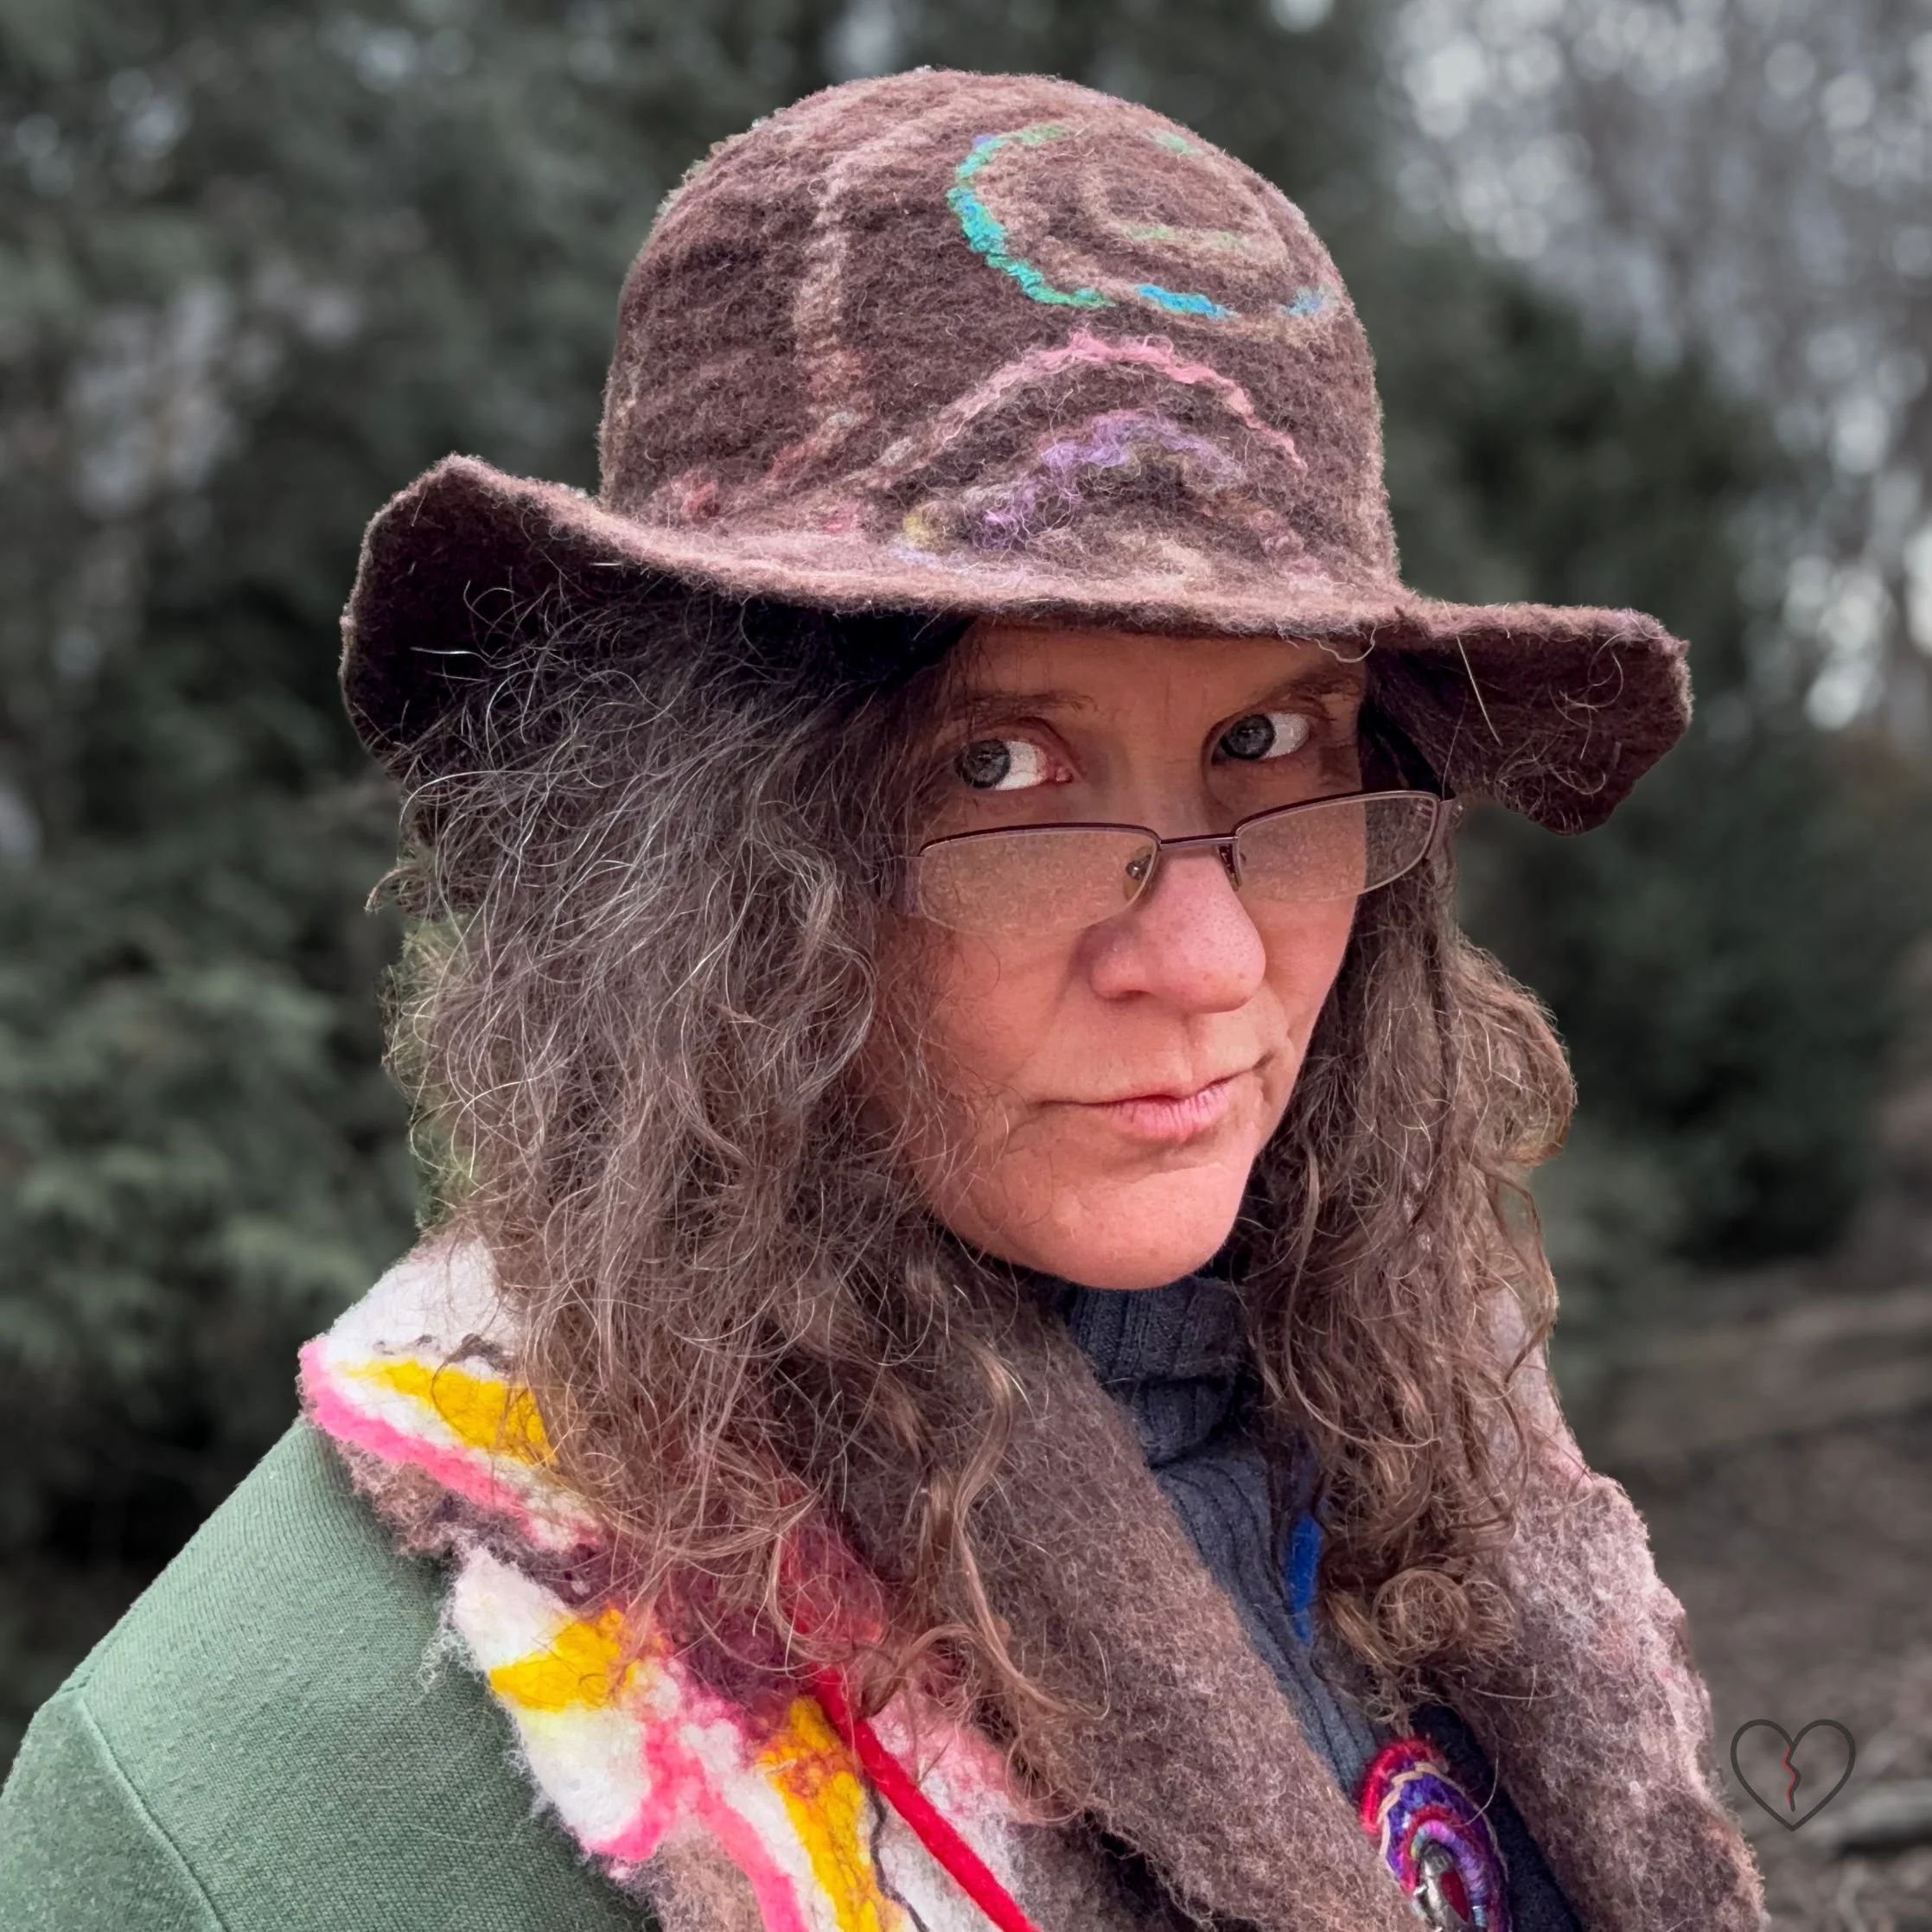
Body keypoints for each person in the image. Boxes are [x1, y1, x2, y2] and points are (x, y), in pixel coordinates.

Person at [0, 68, 1764, 1932]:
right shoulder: (263, 1799)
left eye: (1266, 738)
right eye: (998, 767)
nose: (1209, 960)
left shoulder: (1428, 1439)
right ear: (712, 868)